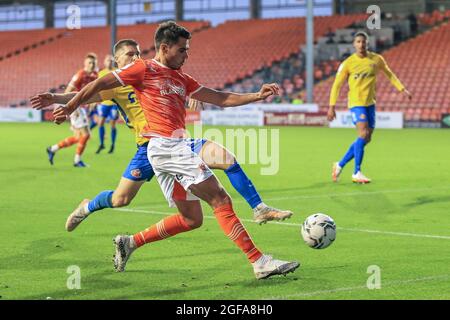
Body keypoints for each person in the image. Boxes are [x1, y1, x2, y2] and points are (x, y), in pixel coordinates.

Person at [45, 26, 300, 279]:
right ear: (164, 48)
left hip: (169, 148)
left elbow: (220, 98)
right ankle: (259, 261)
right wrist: (68, 106)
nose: (186, 55)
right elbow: (100, 83)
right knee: (219, 200)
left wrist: (257, 95)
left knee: (192, 219)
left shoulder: (182, 78)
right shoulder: (143, 69)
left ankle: (130, 243)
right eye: (182, 50)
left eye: (187, 50)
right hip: (165, 147)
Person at [327, 32, 412, 183]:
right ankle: (356, 172)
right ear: (354, 44)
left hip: (370, 103)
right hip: (356, 103)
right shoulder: (348, 63)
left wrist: (402, 89)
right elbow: (337, 85)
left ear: (367, 43)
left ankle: (339, 165)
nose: (361, 44)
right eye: (358, 42)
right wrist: (331, 106)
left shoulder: (376, 59)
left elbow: (390, 74)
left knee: (366, 138)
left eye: (363, 42)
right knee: (363, 133)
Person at [45, 53, 98, 167]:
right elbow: (68, 91)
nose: (92, 64)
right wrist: (71, 109)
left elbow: (95, 91)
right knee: (86, 135)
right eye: (89, 62)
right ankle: (77, 161)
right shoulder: (80, 75)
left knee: (79, 137)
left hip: (82, 106)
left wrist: (93, 101)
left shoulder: (95, 75)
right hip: (76, 106)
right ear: (85, 63)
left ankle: (52, 149)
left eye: (93, 62)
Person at [95, 54, 120, 154]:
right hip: (104, 103)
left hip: (113, 103)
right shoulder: (101, 73)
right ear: (104, 62)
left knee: (112, 124)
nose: (109, 62)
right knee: (100, 123)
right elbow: (98, 87)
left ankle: (112, 145)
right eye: (108, 60)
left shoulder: (116, 71)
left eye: (111, 60)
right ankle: (102, 144)